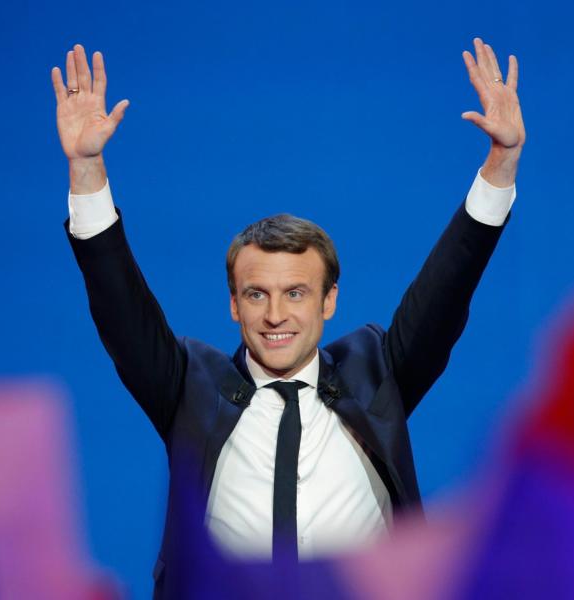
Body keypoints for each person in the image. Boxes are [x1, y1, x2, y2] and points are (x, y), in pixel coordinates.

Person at [52, 39, 524, 598]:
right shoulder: (189, 387)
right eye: (256, 294)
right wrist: (86, 169)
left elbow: (449, 286)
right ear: (233, 304)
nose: (275, 314)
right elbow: (120, 306)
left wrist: (501, 163)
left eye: (296, 293)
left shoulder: (378, 373)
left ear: (329, 301)